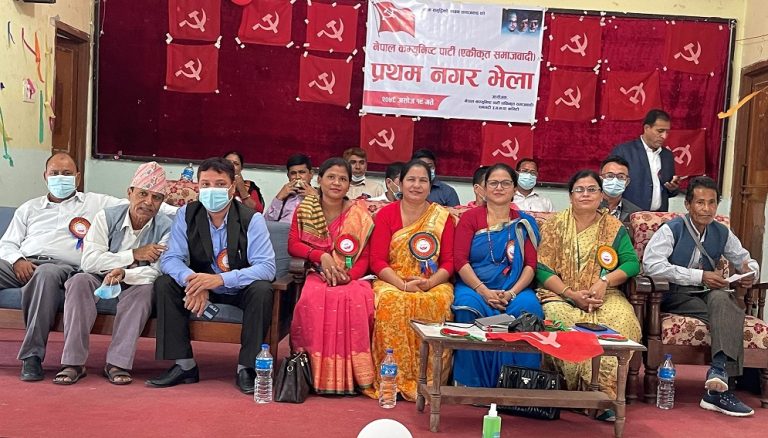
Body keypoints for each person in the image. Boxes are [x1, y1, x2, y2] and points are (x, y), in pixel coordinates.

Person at [147, 157, 276, 395]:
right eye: (205, 184)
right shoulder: (186, 214)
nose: (211, 190)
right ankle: (184, 365)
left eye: (219, 184)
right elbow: (170, 258)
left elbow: (267, 267)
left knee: (262, 290)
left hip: (238, 289)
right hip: (200, 285)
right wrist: (193, 281)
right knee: (165, 283)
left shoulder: (251, 219)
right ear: (197, 187)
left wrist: (219, 280)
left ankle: (246, 367)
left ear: (232, 187)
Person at [0, 153, 133, 382]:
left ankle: (32, 356)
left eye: (67, 173)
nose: (60, 178)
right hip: (24, 263)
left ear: (78, 177)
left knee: (45, 274)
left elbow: (138, 204)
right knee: (34, 271)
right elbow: (7, 243)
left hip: (62, 268)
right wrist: (17, 260)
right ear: (45, 176)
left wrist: (183, 212)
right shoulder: (29, 208)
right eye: (55, 173)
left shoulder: (96, 203)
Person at [643, 176, 758, 417]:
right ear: (688, 204)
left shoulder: (721, 232)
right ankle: (722, 390)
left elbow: (744, 258)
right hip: (675, 294)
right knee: (729, 314)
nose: (706, 209)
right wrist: (699, 276)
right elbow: (652, 265)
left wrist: (750, 272)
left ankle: (718, 372)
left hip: (706, 294)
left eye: (712, 203)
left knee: (722, 300)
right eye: (700, 202)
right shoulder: (672, 229)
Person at [54, 162, 172, 385]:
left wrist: (125, 274)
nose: (148, 202)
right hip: (99, 276)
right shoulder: (106, 217)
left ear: (162, 202)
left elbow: (157, 271)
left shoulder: (167, 227)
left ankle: (117, 363)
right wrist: (132, 255)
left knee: (146, 291)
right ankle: (73, 362)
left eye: (156, 197)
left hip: (137, 280)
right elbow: (89, 261)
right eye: (143, 194)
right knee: (79, 281)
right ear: (130, 193)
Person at [535, 169, 641, 417]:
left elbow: (631, 263)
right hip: (561, 294)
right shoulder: (554, 225)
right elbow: (541, 268)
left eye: (592, 189)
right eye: (579, 190)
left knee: (623, 319)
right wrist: (571, 293)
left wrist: (604, 281)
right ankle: (577, 392)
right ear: (570, 196)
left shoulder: (612, 227)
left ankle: (604, 395)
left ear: (601, 195)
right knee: (559, 320)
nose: (586, 194)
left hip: (604, 294)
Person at [368, 159, 455, 401]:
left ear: (430, 185)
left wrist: (429, 283)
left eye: (423, 180)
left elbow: (449, 262)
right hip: (393, 279)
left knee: (438, 301)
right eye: (411, 180)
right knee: (391, 301)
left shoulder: (442, 217)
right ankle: (393, 378)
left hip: (432, 281)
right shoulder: (386, 214)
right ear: (400, 183)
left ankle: (427, 379)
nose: (417, 185)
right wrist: (402, 284)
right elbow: (377, 260)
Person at [288, 158, 376, 395]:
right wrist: (321, 256)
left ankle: (354, 377)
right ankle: (315, 373)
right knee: (313, 296)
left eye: (343, 179)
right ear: (319, 180)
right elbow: (294, 244)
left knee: (358, 297)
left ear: (349, 185)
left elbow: (365, 257)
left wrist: (349, 276)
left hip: (351, 277)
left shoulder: (359, 215)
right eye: (331, 177)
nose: (336, 183)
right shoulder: (306, 209)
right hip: (317, 272)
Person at [452, 163, 543, 387]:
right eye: (493, 183)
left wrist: (511, 293)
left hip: (515, 288)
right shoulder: (470, 218)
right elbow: (460, 261)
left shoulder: (525, 222)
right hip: (474, 286)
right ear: (483, 188)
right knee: (466, 306)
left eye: (505, 183)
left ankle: (518, 386)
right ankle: (473, 384)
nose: (499, 188)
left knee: (530, 309)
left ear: (514, 189)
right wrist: (483, 291)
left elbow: (530, 266)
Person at [611, 109, 680, 212]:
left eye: (667, 132)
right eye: (660, 131)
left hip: (659, 216)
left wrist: (673, 188)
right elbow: (612, 186)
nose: (664, 136)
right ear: (647, 128)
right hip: (629, 216)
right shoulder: (624, 152)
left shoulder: (667, 155)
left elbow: (669, 192)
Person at [264, 154, 318, 223]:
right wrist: (279, 198)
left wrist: (317, 198)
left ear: (311, 174)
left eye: (302, 172)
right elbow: (266, 223)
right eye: (293, 173)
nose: (297, 177)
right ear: (288, 176)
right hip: (282, 229)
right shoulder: (284, 196)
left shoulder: (320, 195)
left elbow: (328, 222)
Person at [599, 156, 641, 227]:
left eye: (621, 177)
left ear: (627, 182)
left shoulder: (636, 214)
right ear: (601, 179)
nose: (615, 181)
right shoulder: (588, 206)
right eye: (610, 176)